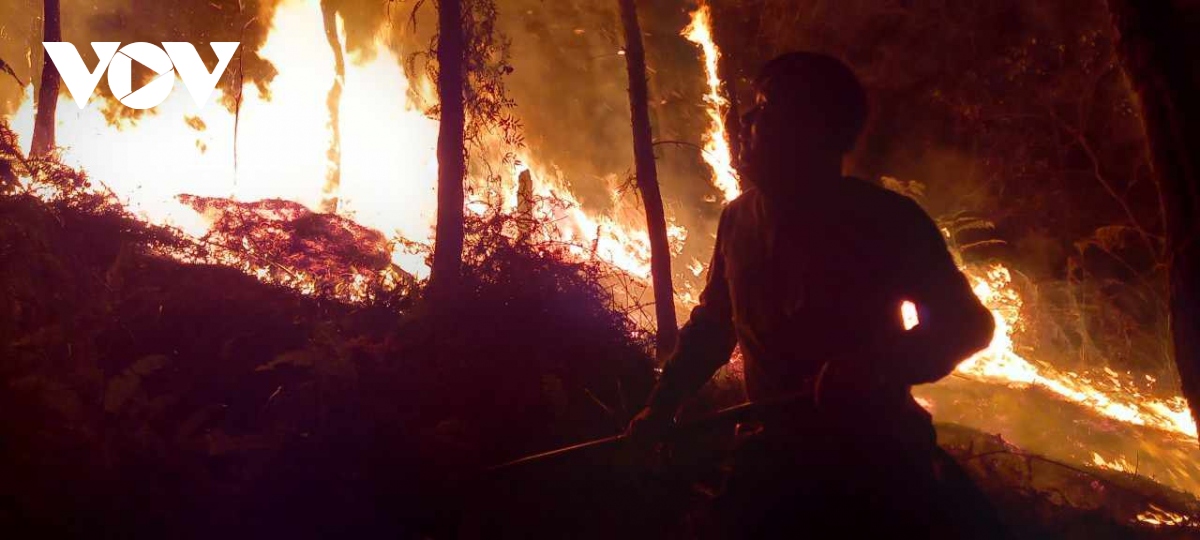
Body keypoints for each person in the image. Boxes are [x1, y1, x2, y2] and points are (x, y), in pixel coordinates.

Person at [627, 52, 1003, 537]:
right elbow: (714, 324)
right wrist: (662, 404)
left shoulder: (885, 221)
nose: (748, 122)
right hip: (776, 456)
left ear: (811, 132)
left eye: (766, 110)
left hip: (874, 465)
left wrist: (879, 363)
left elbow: (968, 324)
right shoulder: (739, 221)